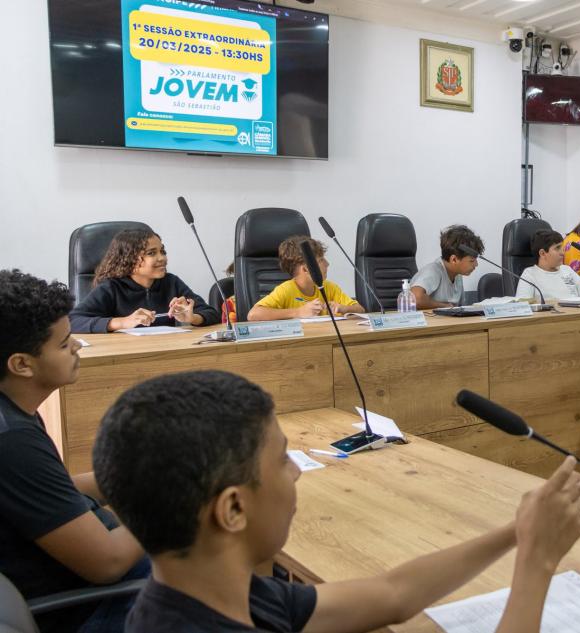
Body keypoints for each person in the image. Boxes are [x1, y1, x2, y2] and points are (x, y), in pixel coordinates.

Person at [92, 370, 580, 633]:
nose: (296, 472)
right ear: (233, 510)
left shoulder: (211, 592)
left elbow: (393, 594)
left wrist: (516, 532)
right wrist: (537, 563)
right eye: (283, 460)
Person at [0, 270, 147, 633]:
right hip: (94, 607)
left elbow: (53, 492)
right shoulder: (12, 441)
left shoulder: (13, 412)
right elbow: (109, 564)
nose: (78, 346)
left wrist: (138, 474)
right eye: (65, 343)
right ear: (22, 364)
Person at [69, 229, 218, 333]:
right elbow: (72, 321)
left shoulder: (171, 282)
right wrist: (122, 322)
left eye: (162, 251)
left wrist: (193, 318)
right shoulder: (111, 287)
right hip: (123, 357)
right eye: (151, 253)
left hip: (164, 352)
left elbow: (212, 313)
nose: (162, 258)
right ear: (129, 260)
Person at [247, 236, 364, 320]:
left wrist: (343, 308)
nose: (327, 264)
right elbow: (253, 315)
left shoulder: (329, 287)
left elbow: (360, 310)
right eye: (321, 260)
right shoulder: (286, 290)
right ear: (305, 269)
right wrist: (298, 312)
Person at [410, 225, 483, 309]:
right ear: (454, 260)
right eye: (472, 261)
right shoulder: (433, 270)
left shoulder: (457, 275)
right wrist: (446, 306)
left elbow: (460, 307)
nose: (476, 264)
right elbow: (414, 299)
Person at [516, 230, 580, 303]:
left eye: (562, 248)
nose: (563, 253)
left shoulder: (567, 270)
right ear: (542, 253)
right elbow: (522, 306)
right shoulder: (529, 275)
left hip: (576, 313)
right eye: (557, 248)